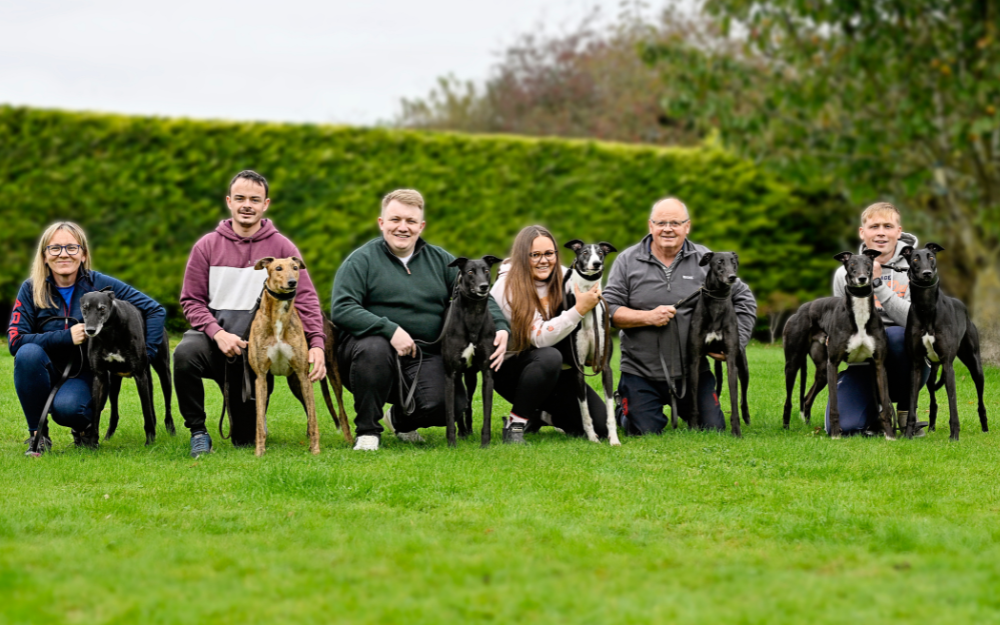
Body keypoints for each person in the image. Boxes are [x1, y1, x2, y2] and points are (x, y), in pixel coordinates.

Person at [331, 189, 510, 451]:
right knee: (374, 347)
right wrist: (389, 329)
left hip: (425, 355)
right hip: (369, 357)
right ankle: (368, 431)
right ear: (381, 223)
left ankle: (399, 420)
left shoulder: (440, 260)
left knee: (453, 403)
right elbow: (342, 308)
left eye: (411, 221)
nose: (402, 227)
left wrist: (501, 327)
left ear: (421, 226)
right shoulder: (361, 260)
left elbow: (476, 293)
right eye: (395, 220)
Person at [174, 170, 327, 457]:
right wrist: (217, 333)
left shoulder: (282, 247)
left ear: (265, 204)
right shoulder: (206, 246)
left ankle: (253, 421)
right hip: (215, 340)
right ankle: (198, 431)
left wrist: (317, 344)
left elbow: (306, 300)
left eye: (254, 199)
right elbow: (191, 301)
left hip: (254, 351)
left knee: (244, 439)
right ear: (229, 201)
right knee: (184, 354)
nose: (247, 205)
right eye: (241, 198)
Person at [8, 221, 166, 455]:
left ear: (83, 254)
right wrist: (66, 336)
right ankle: (37, 436)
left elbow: (154, 310)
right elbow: (15, 341)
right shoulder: (31, 289)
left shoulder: (101, 284)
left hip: (84, 375)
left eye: (72, 248)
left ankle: (82, 429)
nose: (64, 254)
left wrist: (146, 354)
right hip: (43, 368)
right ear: (44, 256)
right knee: (27, 353)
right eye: (55, 248)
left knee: (71, 409)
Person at [603, 197, 757, 434]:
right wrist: (647, 317)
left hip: (693, 372)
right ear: (650, 225)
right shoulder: (627, 260)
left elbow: (743, 298)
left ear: (687, 226)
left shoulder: (706, 258)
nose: (667, 229)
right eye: (661, 222)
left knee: (713, 429)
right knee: (643, 431)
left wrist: (738, 341)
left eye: (675, 222)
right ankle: (625, 408)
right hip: (641, 371)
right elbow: (609, 309)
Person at [489, 225, 611, 443]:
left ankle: (541, 415)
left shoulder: (564, 276)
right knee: (548, 355)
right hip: (512, 369)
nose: (543, 260)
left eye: (549, 254)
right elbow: (539, 337)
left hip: (555, 373)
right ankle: (516, 424)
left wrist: (594, 351)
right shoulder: (507, 286)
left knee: (600, 426)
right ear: (521, 256)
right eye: (534, 255)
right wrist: (578, 310)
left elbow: (592, 291)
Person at [827, 201, 930, 436]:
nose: (881, 232)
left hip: (902, 350)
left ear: (899, 231)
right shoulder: (844, 273)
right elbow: (838, 318)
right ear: (863, 233)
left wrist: (877, 284)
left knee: (894, 336)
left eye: (888, 226)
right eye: (874, 226)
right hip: (861, 357)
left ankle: (906, 413)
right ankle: (875, 412)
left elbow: (918, 321)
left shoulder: (919, 266)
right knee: (847, 427)